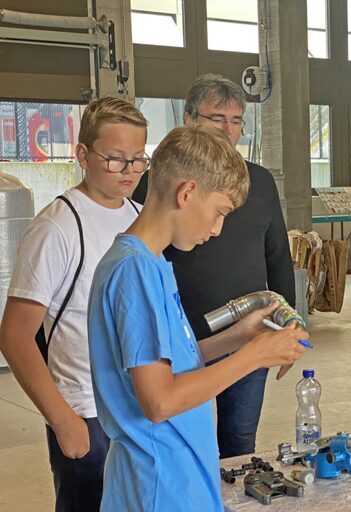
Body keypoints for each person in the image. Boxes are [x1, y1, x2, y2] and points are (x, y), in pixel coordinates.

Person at [88, 124, 307, 511]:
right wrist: (254, 358)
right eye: (219, 212)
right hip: (158, 487)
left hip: (178, 477)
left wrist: (238, 338)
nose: (217, 229)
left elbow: (166, 366)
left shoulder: (152, 264)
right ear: (187, 193)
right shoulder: (134, 272)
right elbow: (159, 401)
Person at [132, 74, 295, 459]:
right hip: (185, 336)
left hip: (249, 329)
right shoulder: (157, 186)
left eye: (237, 121)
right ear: (189, 119)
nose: (228, 129)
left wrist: (288, 319)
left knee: (238, 444)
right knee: (185, 440)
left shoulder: (260, 181)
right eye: (217, 118)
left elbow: (277, 255)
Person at [0, 97, 148, 511]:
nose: (129, 172)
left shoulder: (140, 217)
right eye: (115, 159)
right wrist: (63, 420)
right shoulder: (57, 227)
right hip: (86, 410)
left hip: (138, 403)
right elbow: (14, 337)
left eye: (138, 160)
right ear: (82, 154)